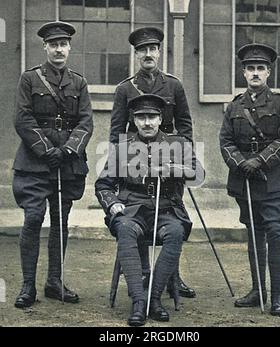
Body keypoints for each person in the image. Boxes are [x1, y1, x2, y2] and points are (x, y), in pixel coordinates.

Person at [95, 94, 204, 326]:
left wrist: (173, 169)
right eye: (141, 117)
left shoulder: (178, 144)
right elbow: (103, 185)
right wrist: (112, 204)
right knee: (125, 230)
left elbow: (198, 173)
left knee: (175, 233)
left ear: (160, 118)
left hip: (167, 211)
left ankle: (154, 299)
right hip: (132, 211)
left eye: (152, 117)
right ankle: (138, 301)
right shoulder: (122, 147)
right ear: (134, 120)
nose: (147, 122)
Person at [109, 26, 196, 298]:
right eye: (142, 50)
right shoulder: (125, 88)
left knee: (170, 211)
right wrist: (119, 162)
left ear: (159, 52)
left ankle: (173, 277)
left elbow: (185, 125)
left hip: (169, 155)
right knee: (141, 209)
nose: (148, 54)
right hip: (136, 156)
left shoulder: (174, 85)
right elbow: (116, 130)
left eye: (152, 49)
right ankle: (144, 274)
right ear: (136, 54)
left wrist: (181, 157)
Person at [13, 21, 93, 308]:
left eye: (63, 44)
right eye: (53, 44)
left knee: (61, 222)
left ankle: (54, 282)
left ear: (69, 48)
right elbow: (22, 118)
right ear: (45, 47)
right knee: (33, 219)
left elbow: (86, 122)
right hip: (35, 164)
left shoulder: (79, 83)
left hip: (67, 163)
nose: (59, 49)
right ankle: (27, 285)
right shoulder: (29, 79)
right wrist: (47, 150)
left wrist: (68, 150)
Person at [219, 43, 280, 316]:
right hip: (246, 180)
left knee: (274, 231)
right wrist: (242, 163)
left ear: (268, 73)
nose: (255, 73)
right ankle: (258, 290)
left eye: (260, 68)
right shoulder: (234, 107)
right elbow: (226, 141)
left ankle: (277, 297)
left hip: (275, 179)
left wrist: (260, 160)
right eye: (250, 68)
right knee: (254, 233)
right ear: (243, 73)